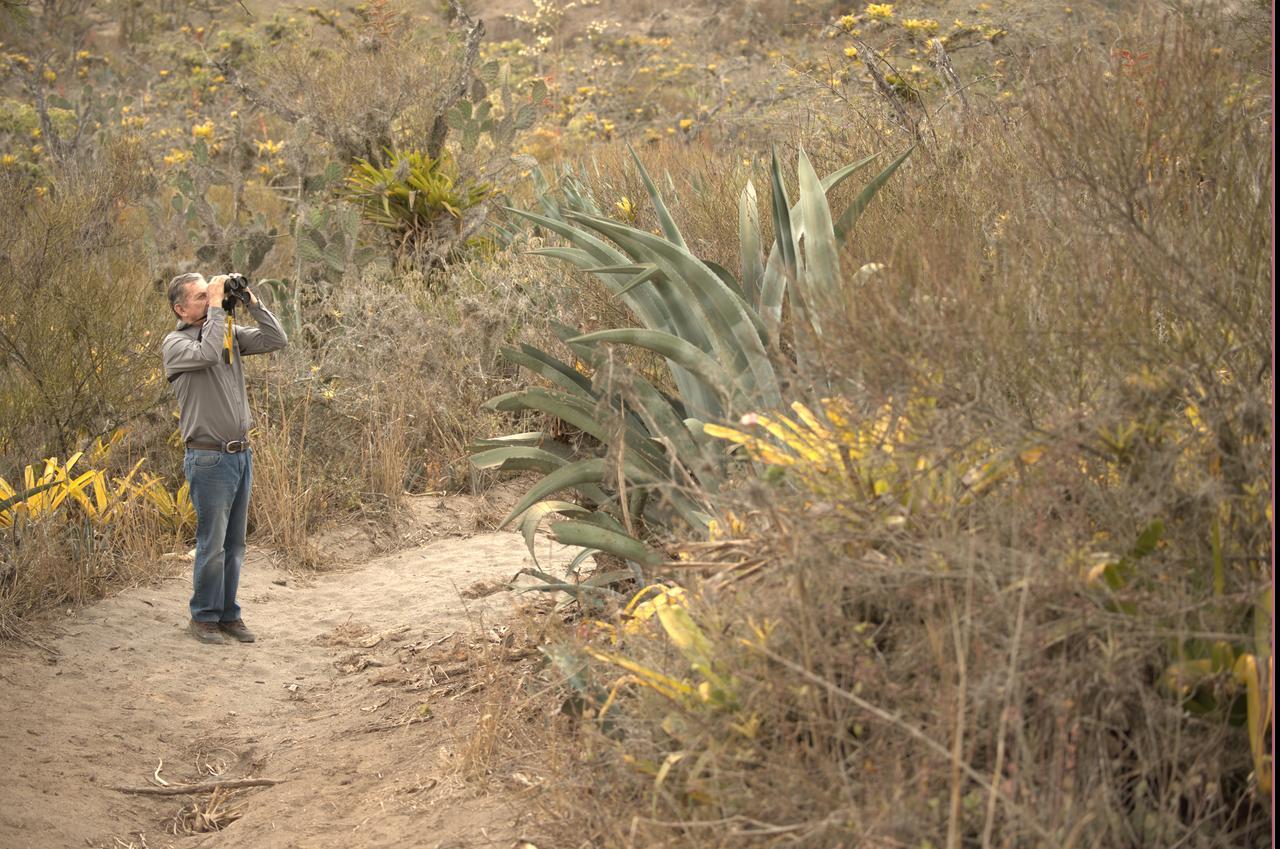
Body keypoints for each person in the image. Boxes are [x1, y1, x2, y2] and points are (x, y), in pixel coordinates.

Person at [162, 272, 288, 645]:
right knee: (211, 544)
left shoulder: (225, 331)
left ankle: (229, 615)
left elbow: (276, 339)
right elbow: (207, 352)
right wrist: (217, 308)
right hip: (208, 459)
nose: (209, 299)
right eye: (200, 297)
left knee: (235, 545)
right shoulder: (175, 344)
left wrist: (250, 300)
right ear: (180, 308)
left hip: (240, 454)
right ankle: (203, 617)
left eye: (210, 293)